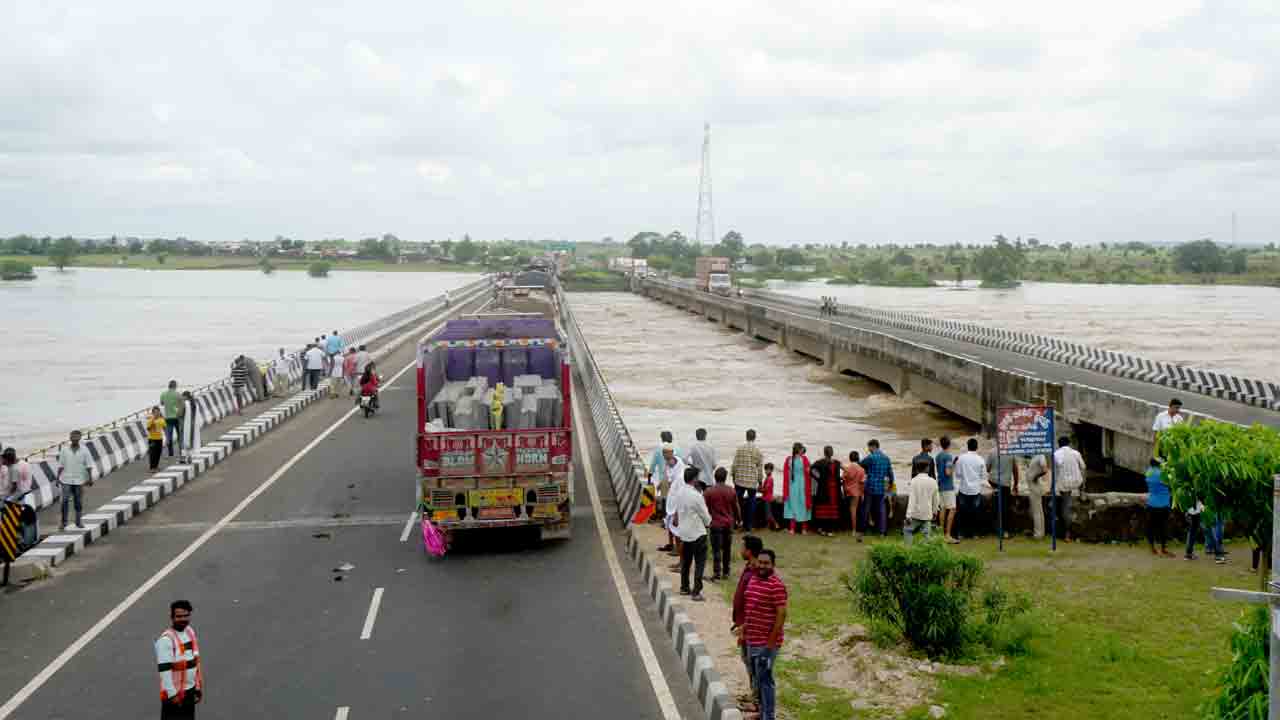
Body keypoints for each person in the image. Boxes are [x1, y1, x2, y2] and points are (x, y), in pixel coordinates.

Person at [744, 549, 787, 720]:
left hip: (766, 643)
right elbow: (751, 606)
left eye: (766, 563)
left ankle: (768, 716)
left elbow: (782, 614)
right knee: (757, 679)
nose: (762, 566)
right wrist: (744, 629)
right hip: (751, 639)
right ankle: (761, 712)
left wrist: (770, 645)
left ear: (773, 565)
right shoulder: (754, 578)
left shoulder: (776, 585)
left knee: (765, 681)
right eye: (760, 562)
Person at [730, 534, 764, 713]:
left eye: (743, 547)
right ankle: (754, 694)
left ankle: (758, 702)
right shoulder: (749, 568)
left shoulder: (756, 572)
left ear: (749, 551)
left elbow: (753, 603)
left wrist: (744, 626)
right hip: (743, 623)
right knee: (748, 661)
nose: (740, 550)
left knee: (754, 663)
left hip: (751, 627)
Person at [156, 599, 203, 718]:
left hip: (189, 692)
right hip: (175, 696)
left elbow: (195, 662)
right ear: (172, 617)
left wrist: (197, 687)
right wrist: (172, 695)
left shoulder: (190, 632)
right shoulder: (166, 640)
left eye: (186, 616)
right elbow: (164, 672)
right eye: (179, 616)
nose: (183, 619)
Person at [674, 468, 711, 601]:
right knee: (700, 563)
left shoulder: (679, 493)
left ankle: (684, 587)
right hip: (697, 533)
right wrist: (708, 522)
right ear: (694, 479)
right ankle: (696, 591)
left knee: (686, 561)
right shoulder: (696, 496)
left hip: (684, 532)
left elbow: (677, 511)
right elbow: (705, 515)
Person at [704, 467, 739, 582]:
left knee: (716, 550)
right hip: (728, 524)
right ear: (725, 477)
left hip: (715, 524)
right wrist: (739, 520)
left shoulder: (709, 491)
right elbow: (736, 507)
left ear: (715, 477)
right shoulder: (731, 490)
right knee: (727, 549)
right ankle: (726, 572)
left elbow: (704, 508)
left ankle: (717, 573)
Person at [56, 429, 94, 530]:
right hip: (66, 479)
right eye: (72, 437)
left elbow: (89, 465)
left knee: (78, 501)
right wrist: (57, 478)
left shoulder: (85, 450)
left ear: (80, 438)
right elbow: (60, 465)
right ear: (70, 438)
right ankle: (63, 522)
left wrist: (90, 478)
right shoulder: (64, 450)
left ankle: (78, 521)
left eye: (76, 437)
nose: (74, 439)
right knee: (64, 500)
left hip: (79, 480)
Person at [656, 444, 688, 559]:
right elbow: (668, 477)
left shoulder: (678, 465)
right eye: (663, 453)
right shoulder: (668, 464)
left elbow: (679, 483)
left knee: (675, 524)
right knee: (668, 521)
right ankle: (670, 544)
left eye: (666, 453)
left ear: (671, 452)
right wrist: (661, 484)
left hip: (677, 498)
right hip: (670, 496)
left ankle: (677, 548)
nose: (664, 455)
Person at [1052, 436, 1086, 543]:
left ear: (1059, 444)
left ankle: (1067, 533)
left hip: (1064, 484)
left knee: (1065, 508)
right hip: (1077, 483)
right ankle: (1072, 533)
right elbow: (1083, 468)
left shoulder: (1056, 454)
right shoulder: (1076, 453)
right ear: (1069, 443)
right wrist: (1083, 486)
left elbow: (1055, 470)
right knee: (1068, 507)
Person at [953, 438, 987, 540]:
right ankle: (975, 534)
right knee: (975, 513)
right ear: (977, 447)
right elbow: (983, 476)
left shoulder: (961, 458)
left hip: (964, 489)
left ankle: (961, 533)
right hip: (976, 490)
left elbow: (958, 475)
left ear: (967, 446)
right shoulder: (981, 459)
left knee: (962, 512)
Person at [859, 439, 895, 537]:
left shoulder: (870, 457)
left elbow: (860, 464)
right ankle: (882, 531)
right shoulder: (886, 458)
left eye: (869, 447)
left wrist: (867, 470)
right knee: (881, 509)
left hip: (870, 487)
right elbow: (890, 474)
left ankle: (863, 530)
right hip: (881, 487)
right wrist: (890, 485)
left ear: (873, 446)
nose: (868, 449)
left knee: (866, 508)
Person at [731, 429, 764, 532]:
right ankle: (749, 525)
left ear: (746, 436)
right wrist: (760, 482)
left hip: (739, 480)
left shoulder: (739, 449)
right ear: (754, 437)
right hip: (752, 481)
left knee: (738, 502)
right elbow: (759, 468)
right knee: (751, 502)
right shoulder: (757, 451)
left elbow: (734, 465)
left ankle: (738, 523)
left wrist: (733, 476)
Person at [904, 457, 941, 546]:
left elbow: (912, 499)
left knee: (907, 530)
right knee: (926, 535)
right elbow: (936, 499)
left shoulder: (914, 481)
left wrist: (908, 515)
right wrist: (935, 511)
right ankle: (925, 550)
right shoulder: (933, 481)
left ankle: (908, 549)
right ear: (927, 468)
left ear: (917, 469)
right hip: (927, 513)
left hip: (915, 514)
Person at [985, 448, 1020, 539]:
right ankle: (1004, 531)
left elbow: (987, 469)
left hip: (993, 483)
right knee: (1005, 509)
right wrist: (1015, 485)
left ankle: (997, 530)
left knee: (995, 508)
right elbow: (1015, 470)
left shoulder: (992, 452)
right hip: (1005, 484)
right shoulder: (1011, 452)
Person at [809, 446, 843, 537]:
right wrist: (841, 479)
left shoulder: (821, 462)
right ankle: (828, 530)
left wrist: (818, 478)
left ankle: (823, 529)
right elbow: (845, 470)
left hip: (825, 488)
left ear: (824, 453)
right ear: (832, 453)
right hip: (831, 488)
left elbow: (810, 470)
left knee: (825, 509)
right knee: (829, 509)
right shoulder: (836, 463)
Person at [782, 443, 812, 535]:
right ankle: (803, 529)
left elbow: (786, 474)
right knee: (802, 505)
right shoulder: (804, 459)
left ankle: (792, 529)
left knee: (793, 505)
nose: (803, 450)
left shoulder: (789, 459)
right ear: (799, 450)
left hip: (792, 485)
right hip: (802, 485)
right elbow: (809, 471)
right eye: (802, 448)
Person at [1145, 458, 1173, 557]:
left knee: (1151, 527)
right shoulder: (1163, 473)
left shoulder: (1148, 472)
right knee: (1163, 527)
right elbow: (1171, 483)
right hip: (1163, 503)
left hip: (1151, 503)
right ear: (1159, 464)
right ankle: (1163, 549)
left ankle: (1152, 548)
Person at [935, 436, 958, 543]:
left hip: (940, 485)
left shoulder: (938, 456)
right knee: (952, 509)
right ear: (949, 444)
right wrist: (954, 464)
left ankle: (941, 534)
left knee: (943, 509)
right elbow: (948, 472)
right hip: (948, 486)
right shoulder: (948, 456)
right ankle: (948, 535)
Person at [685, 428, 718, 501]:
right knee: (709, 499)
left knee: (697, 498)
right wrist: (710, 469)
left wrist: (692, 465)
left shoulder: (693, 447)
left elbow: (684, 458)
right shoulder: (711, 447)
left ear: (696, 436)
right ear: (705, 435)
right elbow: (714, 464)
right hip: (709, 478)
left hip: (697, 477)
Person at [1024, 452, 1050, 539]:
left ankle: (1038, 534)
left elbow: (1045, 469)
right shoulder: (1036, 456)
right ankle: (1040, 532)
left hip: (1035, 486)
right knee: (1038, 510)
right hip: (1033, 486)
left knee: (1036, 511)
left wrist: (1036, 477)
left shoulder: (1041, 456)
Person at [842, 451, 865, 540]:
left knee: (847, 510)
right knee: (854, 511)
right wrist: (862, 493)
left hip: (847, 491)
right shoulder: (861, 469)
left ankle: (845, 527)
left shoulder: (847, 468)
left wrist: (845, 489)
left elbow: (843, 479)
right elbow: (862, 483)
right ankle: (854, 530)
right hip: (856, 492)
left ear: (850, 458)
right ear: (858, 458)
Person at [161, 380, 183, 458]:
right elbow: (181, 404)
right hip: (177, 417)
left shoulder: (163, 394)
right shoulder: (178, 394)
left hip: (167, 418)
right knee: (180, 435)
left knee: (169, 436)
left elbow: (162, 403)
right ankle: (181, 451)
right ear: (175, 386)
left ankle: (171, 453)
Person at [179, 392, 202, 463]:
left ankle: (183, 458)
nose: (182, 398)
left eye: (183, 396)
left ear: (185, 396)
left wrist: (176, 412)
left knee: (184, 440)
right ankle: (190, 456)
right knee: (191, 440)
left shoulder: (185, 403)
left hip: (185, 425)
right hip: (194, 425)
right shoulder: (195, 403)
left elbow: (180, 413)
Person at [759, 462, 783, 531]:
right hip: (767, 497)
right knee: (767, 513)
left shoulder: (769, 479)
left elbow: (766, 489)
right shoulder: (768, 478)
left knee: (768, 514)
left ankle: (776, 525)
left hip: (767, 498)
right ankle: (769, 526)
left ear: (771, 470)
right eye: (766, 470)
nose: (767, 471)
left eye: (768, 470)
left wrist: (759, 490)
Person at [147, 406, 166, 471]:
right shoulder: (150, 420)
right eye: (155, 412)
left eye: (158, 412)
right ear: (153, 413)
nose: (157, 413)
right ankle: (152, 467)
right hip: (152, 439)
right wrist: (152, 422)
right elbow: (148, 429)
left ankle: (156, 466)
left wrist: (166, 436)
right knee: (153, 453)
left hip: (159, 439)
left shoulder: (161, 419)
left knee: (158, 453)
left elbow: (164, 427)